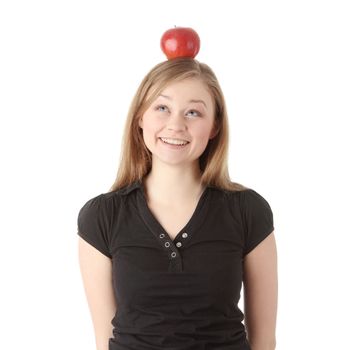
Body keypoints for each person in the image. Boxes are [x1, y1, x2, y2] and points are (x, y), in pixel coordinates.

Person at [77, 57, 278, 350]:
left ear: (214, 127)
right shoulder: (102, 216)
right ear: (140, 118)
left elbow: (264, 341)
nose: (176, 125)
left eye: (193, 112)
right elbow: (104, 340)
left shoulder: (248, 211)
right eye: (162, 108)